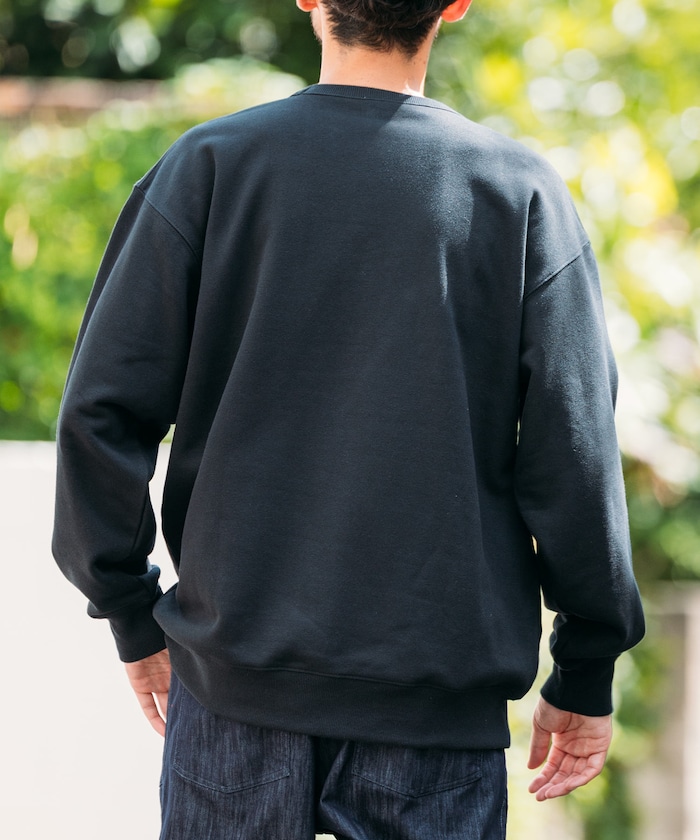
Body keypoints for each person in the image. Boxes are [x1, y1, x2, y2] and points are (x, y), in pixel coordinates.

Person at [52, 1, 645, 837]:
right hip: (435, 718)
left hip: (234, 699)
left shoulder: (210, 167)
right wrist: (585, 665)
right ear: (456, 4)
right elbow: (573, 455)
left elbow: (99, 413)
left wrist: (127, 607)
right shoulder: (520, 195)